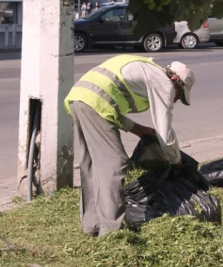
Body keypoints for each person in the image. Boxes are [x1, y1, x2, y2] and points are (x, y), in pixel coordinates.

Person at [64, 55, 195, 237]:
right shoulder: (163, 83)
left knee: (93, 164)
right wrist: (176, 160)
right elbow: (164, 132)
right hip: (95, 103)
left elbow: (109, 100)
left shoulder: (144, 67)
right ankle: (111, 231)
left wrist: (137, 129)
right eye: (179, 94)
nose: (176, 99)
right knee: (114, 164)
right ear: (175, 80)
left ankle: (92, 225)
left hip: (80, 98)